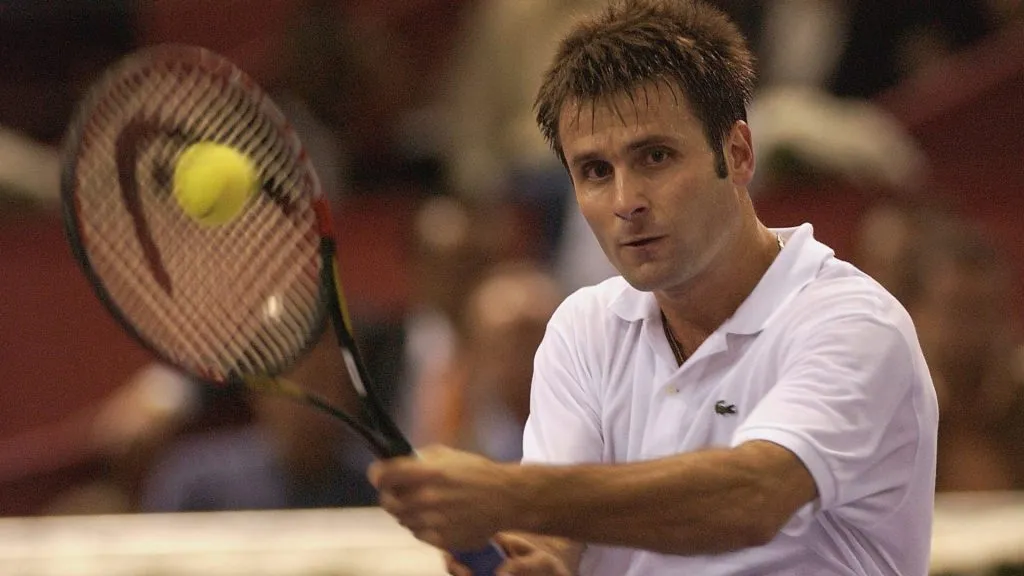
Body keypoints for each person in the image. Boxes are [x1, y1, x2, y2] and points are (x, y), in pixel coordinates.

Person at [369, 1, 938, 574]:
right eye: (595, 171)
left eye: (656, 157)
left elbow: (754, 499)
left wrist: (509, 493)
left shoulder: (853, 322)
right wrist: (530, 561)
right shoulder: (582, 330)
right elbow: (554, 541)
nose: (626, 202)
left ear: (738, 153)